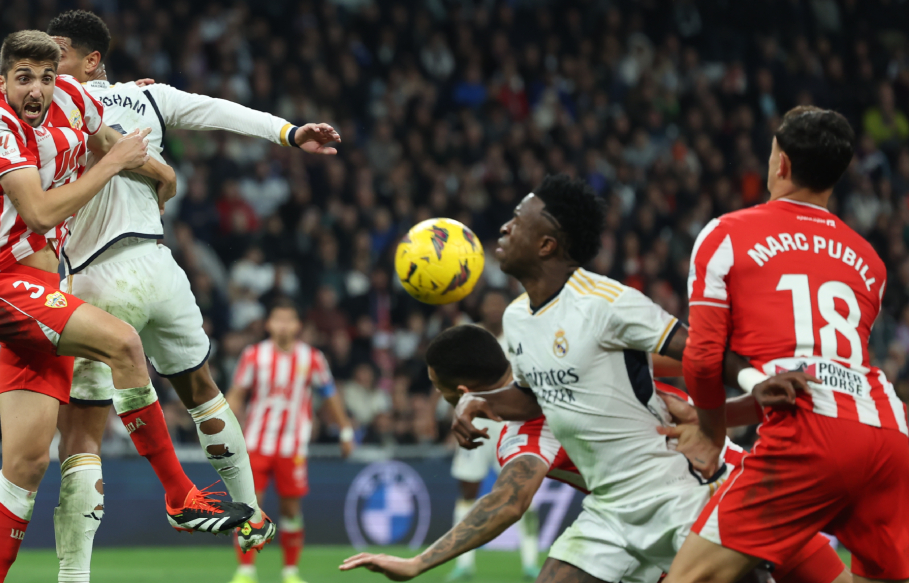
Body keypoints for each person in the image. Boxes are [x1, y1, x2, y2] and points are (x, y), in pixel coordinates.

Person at [44, 8, 342, 578]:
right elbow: (221, 112)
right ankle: (252, 514)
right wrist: (289, 132)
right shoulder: (148, 98)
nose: (48, 63)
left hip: (95, 274)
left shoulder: (53, 103)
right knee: (202, 388)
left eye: (58, 52)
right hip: (160, 267)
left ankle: (73, 576)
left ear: (91, 59)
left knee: (82, 428)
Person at [0, 31, 252, 583]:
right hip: (5, 287)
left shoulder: (72, 100)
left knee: (24, 468)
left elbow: (113, 139)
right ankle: (179, 494)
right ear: (2, 81)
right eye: (24, 77)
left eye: (48, 77)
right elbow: (42, 213)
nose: (38, 89)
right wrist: (116, 158)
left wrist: (162, 175)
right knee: (124, 343)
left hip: (46, 297)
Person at [340, 323, 849, 583]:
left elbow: (509, 502)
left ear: (460, 386)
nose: (437, 396)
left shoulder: (524, 429)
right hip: (629, 512)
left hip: (712, 490)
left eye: (437, 386)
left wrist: (419, 562)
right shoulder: (556, 358)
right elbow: (673, 359)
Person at [431, 173, 716, 581]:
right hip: (615, 511)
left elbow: (701, 358)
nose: (504, 227)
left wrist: (716, 422)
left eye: (516, 218)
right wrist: (486, 403)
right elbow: (530, 397)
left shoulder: (604, 306)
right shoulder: (521, 321)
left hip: (692, 480)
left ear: (547, 245)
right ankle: (478, 566)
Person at [668, 106, 909, 583]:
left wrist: (711, 430)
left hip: (807, 442)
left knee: (688, 579)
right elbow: (816, 380)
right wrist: (724, 415)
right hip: (888, 436)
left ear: (780, 164)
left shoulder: (726, 234)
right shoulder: (870, 260)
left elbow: (702, 356)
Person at [226, 299, 354, 583]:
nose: (283, 325)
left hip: (292, 445)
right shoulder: (253, 355)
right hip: (256, 442)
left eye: (289, 319)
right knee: (250, 505)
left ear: (298, 326)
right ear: (269, 324)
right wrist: (222, 427)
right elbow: (236, 394)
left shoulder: (312, 358)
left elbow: (331, 395)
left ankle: (290, 571)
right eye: (278, 319)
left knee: (290, 509)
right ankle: (246, 571)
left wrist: (345, 430)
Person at [444, 288, 539, 582]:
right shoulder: (470, 340)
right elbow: (454, 384)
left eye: (499, 304)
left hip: (511, 424)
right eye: (490, 303)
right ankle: (464, 564)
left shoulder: (518, 336)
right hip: (476, 423)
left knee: (524, 490)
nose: (495, 308)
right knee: (468, 491)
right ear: (482, 309)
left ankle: (530, 563)